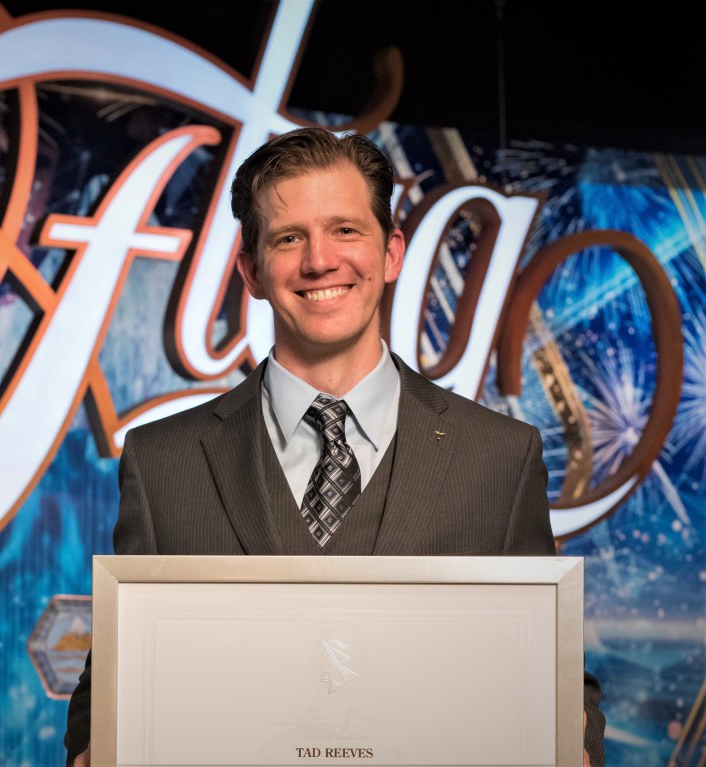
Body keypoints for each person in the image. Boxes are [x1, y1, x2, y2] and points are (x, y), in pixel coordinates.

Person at [64, 127, 605, 766]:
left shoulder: (498, 457)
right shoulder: (163, 463)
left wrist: (571, 742)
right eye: (289, 238)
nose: (320, 260)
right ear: (252, 271)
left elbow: (556, 677)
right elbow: (110, 694)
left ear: (393, 252)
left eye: (346, 230)